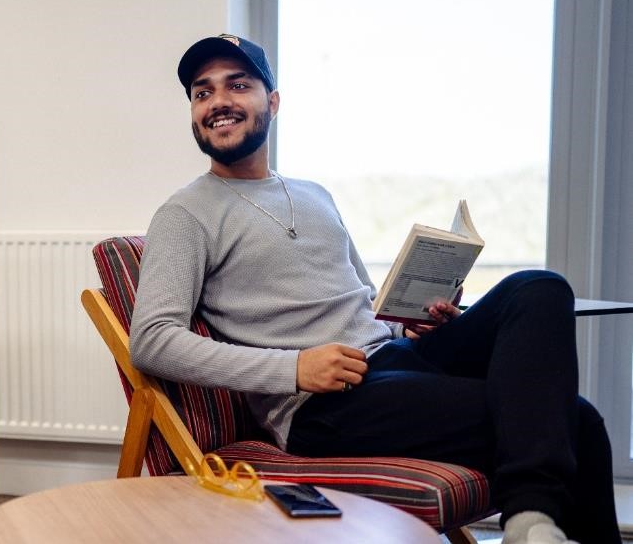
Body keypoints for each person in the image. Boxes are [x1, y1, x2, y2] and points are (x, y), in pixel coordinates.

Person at [128, 34, 619, 544]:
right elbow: (153, 340)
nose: (218, 102)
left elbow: (363, 302)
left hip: (396, 358)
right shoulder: (185, 214)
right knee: (577, 421)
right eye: (202, 93)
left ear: (271, 102)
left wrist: (412, 323)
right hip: (326, 406)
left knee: (539, 288)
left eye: (238, 85)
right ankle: (529, 524)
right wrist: (292, 369)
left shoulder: (314, 194)